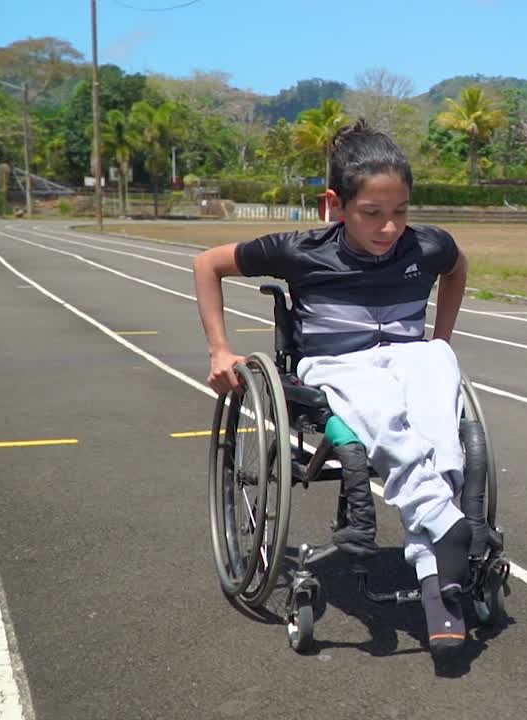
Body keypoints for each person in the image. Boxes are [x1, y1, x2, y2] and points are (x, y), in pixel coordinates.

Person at [192, 119, 473, 660]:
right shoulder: (300, 250)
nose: (389, 227)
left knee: (439, 372)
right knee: (379, 406)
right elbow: (208, 265)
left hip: (408, 357)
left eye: (400, 212)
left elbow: (457, 268)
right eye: (372, 213)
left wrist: (441, 338)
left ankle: (438, 543)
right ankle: (441, 544)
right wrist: (219, 351)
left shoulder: (429, 245)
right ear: (334, 205)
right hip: (336, 365)